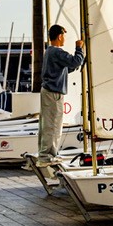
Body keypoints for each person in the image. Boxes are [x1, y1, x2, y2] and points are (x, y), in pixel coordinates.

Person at [36, 25, 85, 166]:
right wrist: (79, 48)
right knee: (53, 125)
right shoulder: (57, 52)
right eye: (63, 36)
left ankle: (46, 154)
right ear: (59, 36)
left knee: (48, 124)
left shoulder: (49, 51)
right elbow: (76, 61)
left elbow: (64, 69)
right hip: (53, 93)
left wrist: (74, 64)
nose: (64, 39)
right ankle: (47, 157)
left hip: (48, 92)